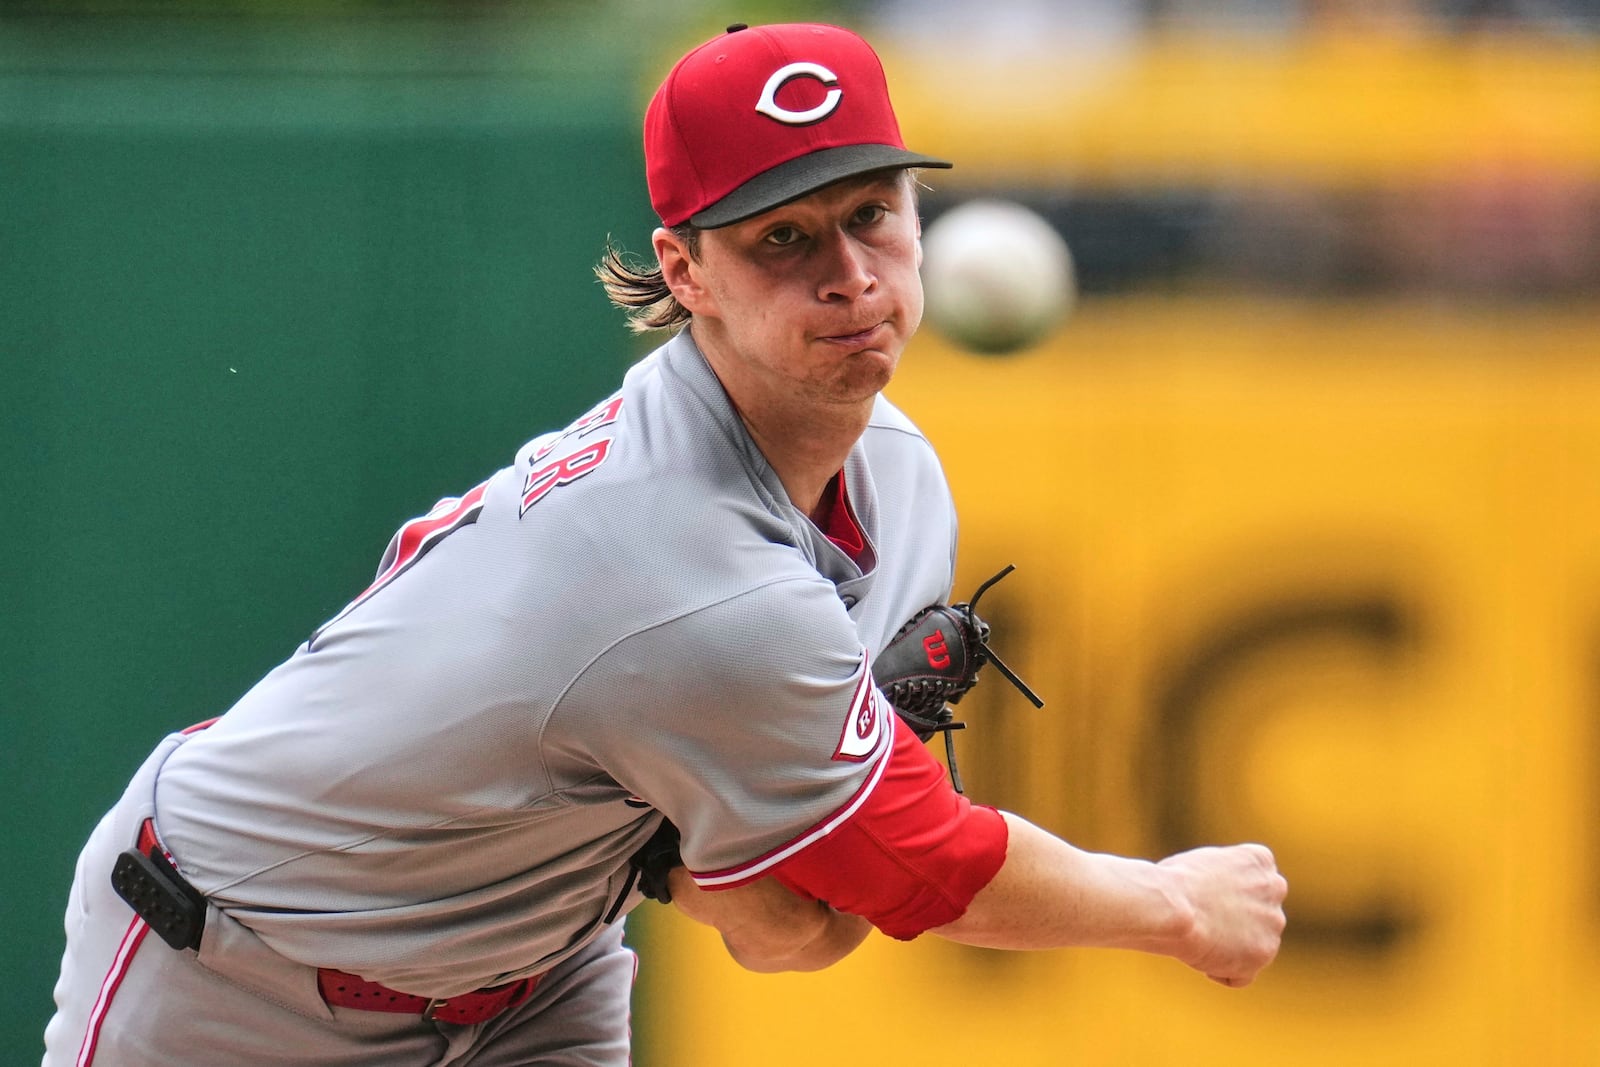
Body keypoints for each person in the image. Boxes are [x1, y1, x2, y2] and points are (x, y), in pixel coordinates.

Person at [43, 21, 1286, 1067]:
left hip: (531, 972)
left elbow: (779, 923)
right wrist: (1174, 905)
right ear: (684, 271)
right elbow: (919, 864)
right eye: (782, 239)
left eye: (872, 213)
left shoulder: (895, 474)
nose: (851, 275)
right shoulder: (683, 563)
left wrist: (764, 850)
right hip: (233, 970)